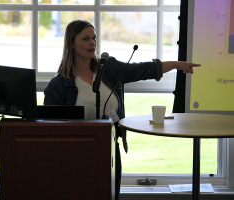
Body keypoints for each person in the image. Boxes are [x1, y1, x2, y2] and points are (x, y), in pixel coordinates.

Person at [43, 19, 200, 200]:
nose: (92, 43)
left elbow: (144, 70)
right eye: (86, 39)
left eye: (94, 38)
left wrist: (178, 65)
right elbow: (49, 132)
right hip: (75, 156)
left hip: (109, 149)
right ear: (71, 43)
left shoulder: (108, 68)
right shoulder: (58, 86)